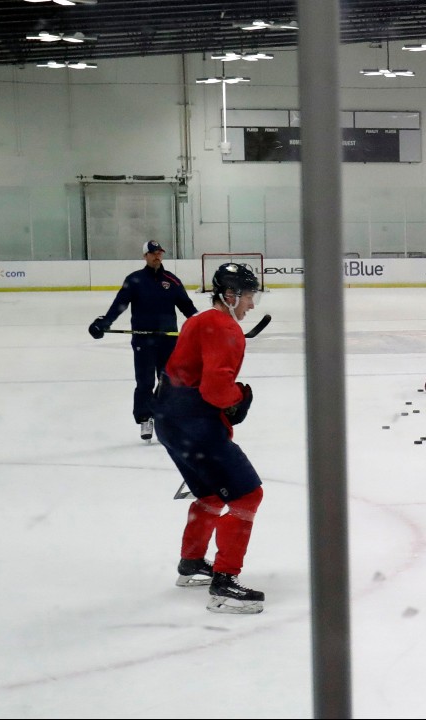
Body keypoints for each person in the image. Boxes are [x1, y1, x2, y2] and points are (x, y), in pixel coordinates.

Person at [153, 262, 265, 614]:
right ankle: (225, 584)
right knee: (248, 495)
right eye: (248, 296)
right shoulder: (226, 329)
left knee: (212, 494)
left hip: (168, 419)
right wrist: (238, 401)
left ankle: (191, 564)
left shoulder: (198, 320)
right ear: (230, 296)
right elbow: (217, 390)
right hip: (193, 423)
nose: (251, 304)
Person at [88, 241, 198, 442]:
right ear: (145, 256)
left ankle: (170, 420)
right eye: (153, 253)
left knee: (169, 382)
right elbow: (119, 305)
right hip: (143, 340)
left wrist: (203, 326)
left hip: (168, 340)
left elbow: (187, 307)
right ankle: (145, 418)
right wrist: (105, 322)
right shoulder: (135, 280)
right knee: (145, 381)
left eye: (159, 253)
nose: (157, 256)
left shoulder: (172, 281)